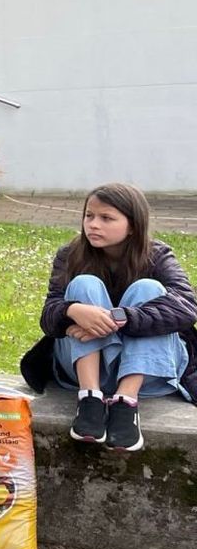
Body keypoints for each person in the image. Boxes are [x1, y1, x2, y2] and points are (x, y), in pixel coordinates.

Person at [40, 183, 197, 451]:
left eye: (106, 218)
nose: (93, 225)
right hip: (86, 370)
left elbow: (186, 307)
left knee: (148, 290)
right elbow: (48, 316)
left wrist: (118, 318)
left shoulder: (157, 255)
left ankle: (126, 402)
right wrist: (72, 311)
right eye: (89, 216)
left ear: (133, 225)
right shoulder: (70, 255)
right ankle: (89, 400)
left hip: (149, 372)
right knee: (84, 284)